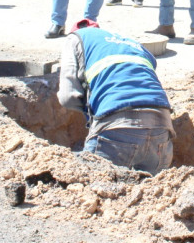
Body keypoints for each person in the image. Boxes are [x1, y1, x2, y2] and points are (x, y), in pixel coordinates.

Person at [58, 19, 175, 175]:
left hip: (116, 131)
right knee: (150, 196)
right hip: (162, 131)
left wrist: (92, 117)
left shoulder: (75, 38)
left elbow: (67, 97)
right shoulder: (133, 45)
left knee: (93, 190)